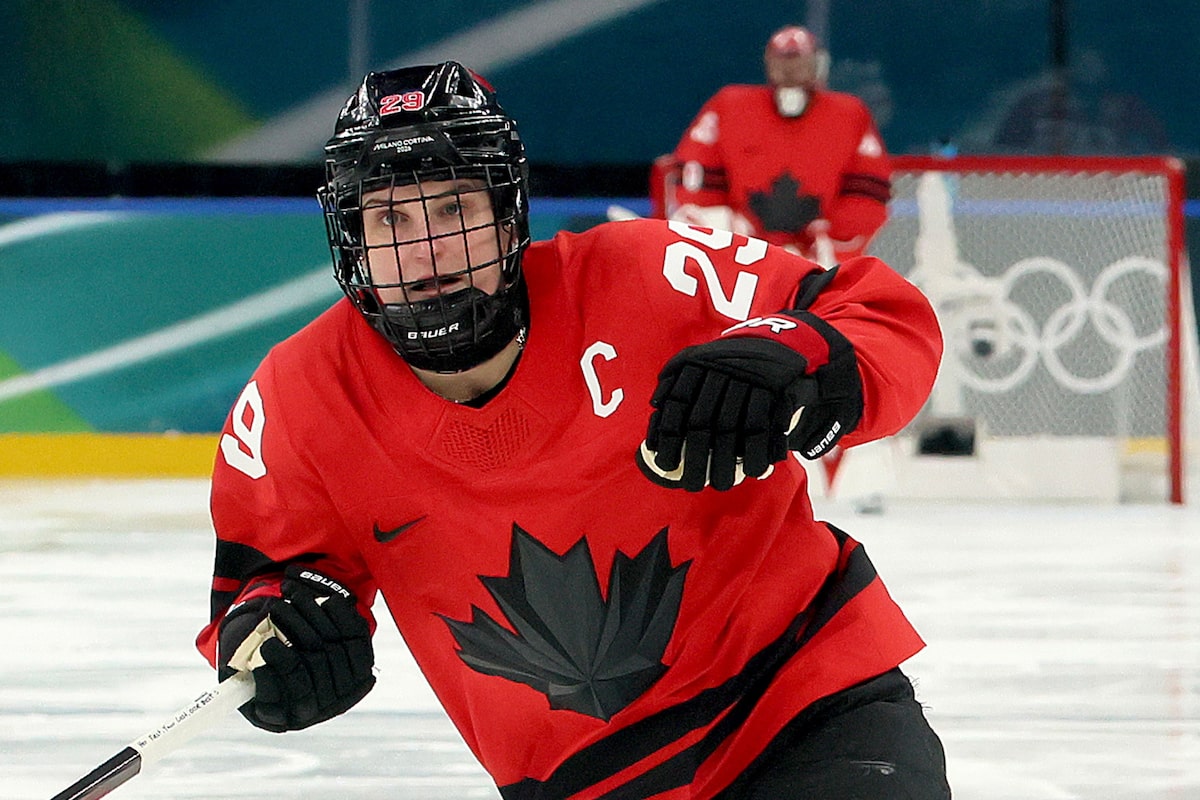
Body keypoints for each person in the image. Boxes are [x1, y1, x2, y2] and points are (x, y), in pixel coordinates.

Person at [196, 61, 949, 799]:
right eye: (391, 217)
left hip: (804, 708)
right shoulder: (296, 400)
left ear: (506, 208)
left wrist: (795, 352)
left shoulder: (651, 274)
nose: (425, 251)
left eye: (454, 209)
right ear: (348, 234)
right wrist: (277, 648)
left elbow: (880, 313)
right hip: (587, 783)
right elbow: (262, 588)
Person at [663, 25, 892, 265]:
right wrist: (729, 235)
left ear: (817, 64)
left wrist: (831, 241)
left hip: (820, 256)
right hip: (740, 249)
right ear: (768, 63)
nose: (790, 70)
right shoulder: (729, 106)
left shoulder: (849, 114)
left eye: (798, 61)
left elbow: (869, 190)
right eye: (783, 61)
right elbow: (695, 177)